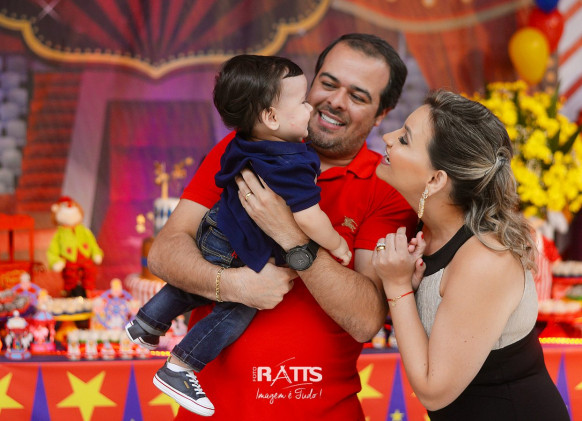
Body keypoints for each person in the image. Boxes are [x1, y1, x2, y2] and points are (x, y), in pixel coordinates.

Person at [147, 33, 417, 420]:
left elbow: (366, 319)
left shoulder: (386, 186)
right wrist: (235, 285)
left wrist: (291, 235)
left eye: (358, 96)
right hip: (212, 410)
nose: (336, 101)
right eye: (328, 83)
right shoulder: (240, 148)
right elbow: (164, 252)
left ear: (380, 114)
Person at [125, 54, 351, 416]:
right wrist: (336, 243)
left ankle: (146, 323)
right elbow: (309, 218)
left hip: (216, 229)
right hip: (241, 246)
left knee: (194, 284)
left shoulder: (243, 142)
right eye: (303, 102)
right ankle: (181, 366)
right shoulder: (291, 163)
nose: (312, 108)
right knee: (238, 308)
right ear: (272, 118)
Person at [372, 90, 570, 420]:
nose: (387, 138)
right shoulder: (427, 231)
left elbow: (433, 391)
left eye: (404, 139)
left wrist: (398, 286)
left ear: (435, 179)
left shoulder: (485, 258)